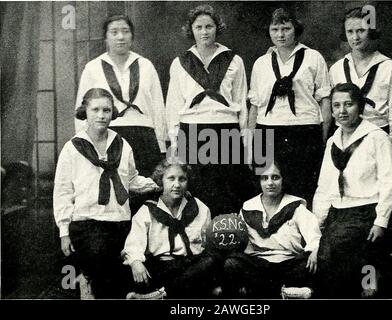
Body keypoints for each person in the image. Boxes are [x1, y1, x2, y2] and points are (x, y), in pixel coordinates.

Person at [53, 88, 159, 299]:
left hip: (119, 220)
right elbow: (63, 191)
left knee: (118, 265)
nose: (101, 115)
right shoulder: (72, 148)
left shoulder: (122, 144)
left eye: (106, 110)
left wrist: (156, 184)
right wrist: (64, 230)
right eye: (95, 110)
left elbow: (130, 179)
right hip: (86, 223)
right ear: (85, 112)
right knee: (102, 256)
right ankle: (93, 280)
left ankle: (93, 283)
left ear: (113, 113)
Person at [313, 83, 392, 298]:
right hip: (338, 212)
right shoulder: (333, 141)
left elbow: (389, 181)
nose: (342, 111)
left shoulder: (376, 137)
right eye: (336, 105)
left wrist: (380, 221)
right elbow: (324, 186)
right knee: (324, 261)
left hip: (366, 211)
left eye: (348, 104)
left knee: (354, 262)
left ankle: (383, 270)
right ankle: (389, 261)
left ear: (360, 107)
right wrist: (317, 223)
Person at [165, 4, 252, 217]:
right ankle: (198, 242)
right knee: (195, 189)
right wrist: (176, 143)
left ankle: (228, 238)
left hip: (226, 131)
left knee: (228, 190)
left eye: (209, 26)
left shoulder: (234, 60)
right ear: (191, 30)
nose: (204, 32)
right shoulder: (180, 63)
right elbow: (173, 106)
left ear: (217, 28)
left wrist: (244, 141)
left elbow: (241, 101)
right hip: (192, 132)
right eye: (199, 27)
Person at [75, 15, 166, 214]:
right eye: (114, 32)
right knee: (114, 197)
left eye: (125, 31)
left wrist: (161, 146)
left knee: (145, 197)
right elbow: (81, 111)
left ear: (132, 36)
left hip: (144, 138)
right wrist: (85, 145)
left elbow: (158, 107)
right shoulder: (93, 68)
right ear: (105, 38)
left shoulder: (145, 65)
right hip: (108, 137)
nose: (120, 37)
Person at [248, 8, 332, 207]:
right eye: (275, 29)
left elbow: (325, 100)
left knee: (302, 190)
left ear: (296, 30)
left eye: (286, 28)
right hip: (267, 131)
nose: (280, 34)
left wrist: (321, 137)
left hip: (304, 131)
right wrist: (251, 146)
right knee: (269, 191)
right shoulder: (261, 63)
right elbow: (255, 107)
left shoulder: (313, 58)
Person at [217, 160, 321, 298]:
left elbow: (315, 237)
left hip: (289, 262)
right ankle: (284, 292)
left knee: (314, 264)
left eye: (275, 177)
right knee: (231, 263)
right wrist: (234, 230)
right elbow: (243, 246)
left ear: (283, 179)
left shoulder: (296, 207)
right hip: (258, 263)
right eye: (264, 178)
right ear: (259, 181)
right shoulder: (248, 207)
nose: (270, 183)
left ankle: (259, 291)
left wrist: (315, 250)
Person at [122, 159, 219, 299]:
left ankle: (156, 295)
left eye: (182, 179)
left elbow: (208, 244)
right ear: (161, 181)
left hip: (192, 265)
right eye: (171, 179)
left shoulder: (199, 208)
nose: (177, 185)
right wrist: (136, 262)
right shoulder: (148, 210)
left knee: (212, 260)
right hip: (163, 267)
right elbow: (133, 245)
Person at [329, 6, 392, 166]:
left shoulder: (387, 66)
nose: (355, 37)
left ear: (370, 31)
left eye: (361, 30)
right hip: (346, 136)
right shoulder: (337, 68)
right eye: (350, 32)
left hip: (377, 133)